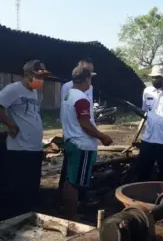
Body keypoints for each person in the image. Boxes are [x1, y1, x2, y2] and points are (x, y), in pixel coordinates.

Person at [0, 60, 51, 219]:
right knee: (16, 188)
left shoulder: (34, 92)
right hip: (19, 148)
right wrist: (11, 125)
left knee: (31, 187)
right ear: (29, 74)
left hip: (34, 148)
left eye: (43, 76)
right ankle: (13, 220)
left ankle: (28, 217)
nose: (41, 80)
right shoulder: (13, 89)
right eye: (39, 76)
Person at [60, 66, 113, 219]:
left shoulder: (68, 95)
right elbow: (85, 123)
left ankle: (67, 213)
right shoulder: (81, 98)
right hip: (82, 145)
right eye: (90, 78)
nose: (91, 81)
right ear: (86, 79)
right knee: (75, 183)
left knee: (70, 180)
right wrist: (102, 136)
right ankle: (71, 217)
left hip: (71, 141)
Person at [58, 58, 96, 203]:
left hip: (77, 136)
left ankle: (71, 205)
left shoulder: (75, 92)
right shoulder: (73, 92)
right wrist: (101, 136)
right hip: (80, 139)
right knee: (74, 178)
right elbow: (82, 121)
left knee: (73, 177)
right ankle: (71, 212)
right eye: (89, 74)